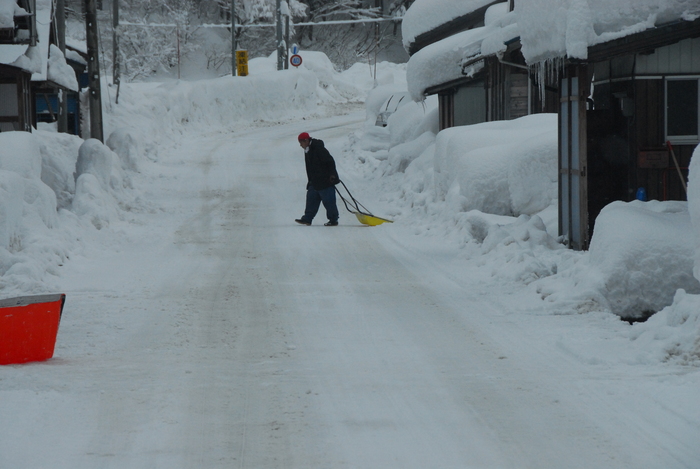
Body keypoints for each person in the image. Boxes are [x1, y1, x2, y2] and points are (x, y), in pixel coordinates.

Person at [295, 132, 340, 226]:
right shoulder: (308, 149)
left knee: (329, 202)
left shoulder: (318, 148)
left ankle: (333, 220)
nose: (300, 145)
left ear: (306, 140)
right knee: (311, 199)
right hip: (314, 181)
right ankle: (307, 219)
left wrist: (332, 175)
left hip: (325, 181)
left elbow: (330, 161)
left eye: (301, 142)